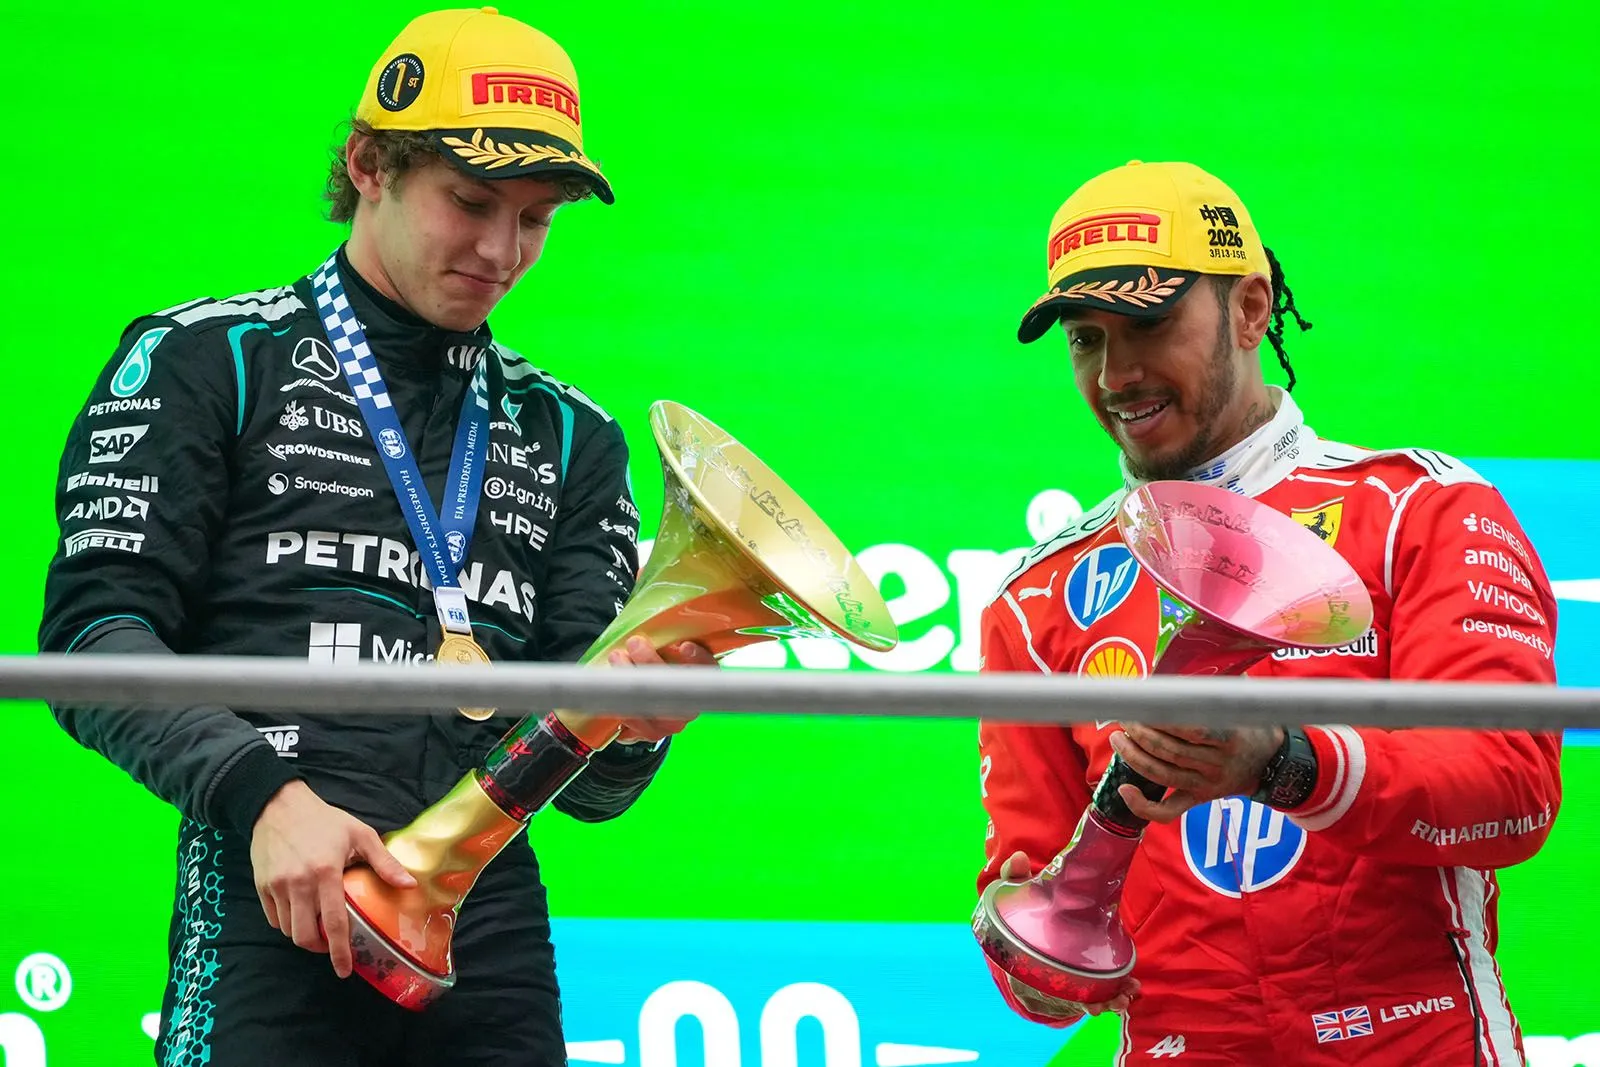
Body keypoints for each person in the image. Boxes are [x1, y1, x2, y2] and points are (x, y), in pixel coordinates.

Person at [38, 9, 709, 1065]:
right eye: (471, 203)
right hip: (269, 880)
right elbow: (91, 639)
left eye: (535, 219)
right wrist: (262, 795)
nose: (501, 251)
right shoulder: (210, 359)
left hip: (487, 924)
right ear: (367, 165)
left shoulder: (574, 435)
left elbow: (591, 793)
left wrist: (637, 726)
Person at [975, 160, 1562, 1066]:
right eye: (1086, 339)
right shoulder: (1037, 600)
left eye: (1148, 324)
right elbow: (1042, 953)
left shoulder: (1419, 510)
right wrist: (1031, 950)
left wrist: (1283, 762)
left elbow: (1509, 791)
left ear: (1250, 309)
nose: (1117, 373)